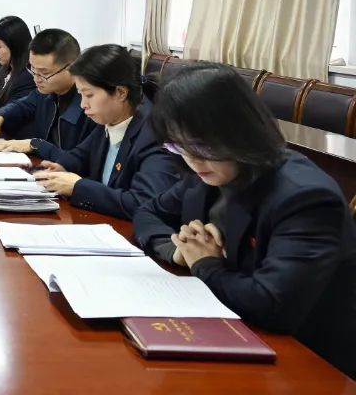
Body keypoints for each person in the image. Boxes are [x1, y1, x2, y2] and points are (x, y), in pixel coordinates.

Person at [134, 64, 356, 379]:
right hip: (230, 327)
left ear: (239, 130)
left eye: (201, 145)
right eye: (178, 146)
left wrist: (205, 265)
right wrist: (178, 251)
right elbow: (147, 212)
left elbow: (273, 305)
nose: (192, 159)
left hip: (306, 362)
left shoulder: (305, 198)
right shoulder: (207, 172)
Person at [27, 45, 180, 219]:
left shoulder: (155, 134)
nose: (83, 104)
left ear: (120, 92)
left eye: (89, 95)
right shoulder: (109, 119)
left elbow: (145, 202)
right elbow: (80, 156)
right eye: (80, 94)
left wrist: (77, 187)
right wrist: (61, 167)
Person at [0, 28, 97, 162]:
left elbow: (79, 161)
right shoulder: (45, 93)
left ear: (71, 68)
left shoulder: (90, 106)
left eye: (44, 73)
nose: (36, 79)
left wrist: (35, 145)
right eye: (33, 70)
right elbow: (21, 105)